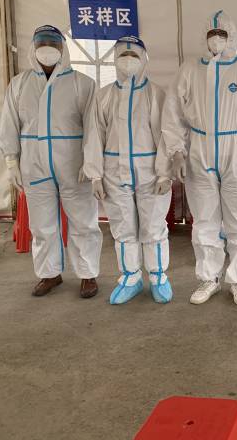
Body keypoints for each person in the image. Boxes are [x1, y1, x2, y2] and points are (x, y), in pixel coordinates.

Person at [162, 10, 237, 306]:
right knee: (205, 218)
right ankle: (209, 278)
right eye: (212, 34)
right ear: (204, 38)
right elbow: (173, 111)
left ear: (232, 37)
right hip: (200, 146)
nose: (217, 40)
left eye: (222, 35)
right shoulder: (190, 69)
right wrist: (176, 151)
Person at [0, 25, 102, 298]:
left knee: (83, 220)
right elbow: (9, 124)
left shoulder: (82, 83)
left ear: (62, 49)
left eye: (53, 44)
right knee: (41, 224)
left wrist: (91, 162)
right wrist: (11, 161)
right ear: (33, 49)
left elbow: (93, 127)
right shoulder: (19, 84)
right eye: (41, 43)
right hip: (34, 164)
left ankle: (88, 274)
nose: (47, 49)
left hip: (73, 163)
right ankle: (49, 273)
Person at [83, 35, 174, 305]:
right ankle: (130, 278)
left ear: (144, 59)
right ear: (114, 59)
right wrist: (95, 175)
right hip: (114, 172)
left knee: (154, 226)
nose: (128, 60)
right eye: (123, 55)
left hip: (150, 172)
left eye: (134, 55)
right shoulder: (103, 96)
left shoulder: (156, 94)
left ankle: (158, 277)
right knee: (123, 227)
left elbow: (166, 136)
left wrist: (165, 172)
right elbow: (94, 136)